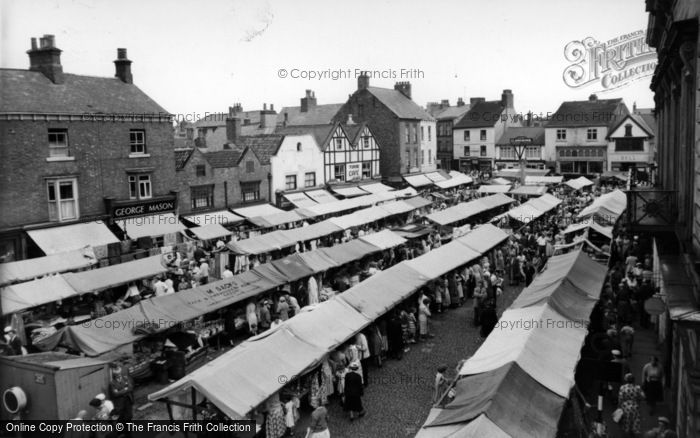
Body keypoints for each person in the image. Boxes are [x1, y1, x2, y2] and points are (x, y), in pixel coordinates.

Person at [618, 374, 644, 438]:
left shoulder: (623, 387)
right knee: (634, 420)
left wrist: (619, 406)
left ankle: (627, 434)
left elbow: (620, 398)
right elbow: (643, 396)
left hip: (625, 407)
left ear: (626, 380)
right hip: (635, 406)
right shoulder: (637, 387)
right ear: (633, 380)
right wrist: (638, 399)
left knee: (626, 421)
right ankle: (633, 433)